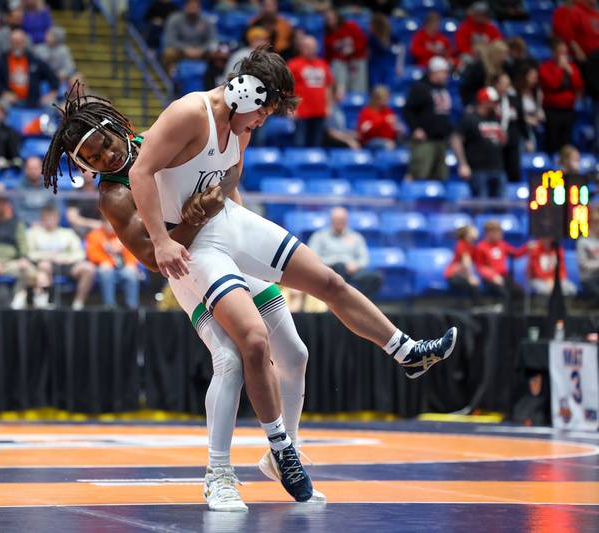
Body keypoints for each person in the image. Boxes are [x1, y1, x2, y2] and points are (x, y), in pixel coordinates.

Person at [127, 46, 457, 504]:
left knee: (327, 287)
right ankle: (225, 471)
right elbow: (141, 172)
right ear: (243, 92)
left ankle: (406, 351)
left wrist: (254, 246)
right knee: (243, 349)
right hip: (191, 244)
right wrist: (162, 242)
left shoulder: (240, 123)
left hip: (226, 224)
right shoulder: (189, 112)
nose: (262, 122)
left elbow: (227, 182)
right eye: (263, 112)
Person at [41, 84, 317, 511]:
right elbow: (155, 257)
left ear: (117, 128)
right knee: (229, 357)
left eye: (105, 146)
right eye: (92, 159)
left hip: (227, 245)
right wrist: (196, 215)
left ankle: (284, 455)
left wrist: (228, 211)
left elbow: (220, 176)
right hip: (188, 267)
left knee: (295, 354)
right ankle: (218, 474)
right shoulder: (114, 195)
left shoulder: (159, 137)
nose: (105, 158)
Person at [27, 203, 95, 309]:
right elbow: (29, 253)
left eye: (52, 218)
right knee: (45, 266)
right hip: (44, 265)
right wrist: (47, 256)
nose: (50, 221)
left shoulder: (67, 233)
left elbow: (80, 253)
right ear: (42, 218)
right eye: (47, 218)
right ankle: (46, 302)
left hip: (67, 264)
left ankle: (78, 304)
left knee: (88, 268)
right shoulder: (34, 233)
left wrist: (67, 258)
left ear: (58, 218)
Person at [307, 207, 383, 296]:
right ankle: (337, 301)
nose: (339, 222)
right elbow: (311, 258)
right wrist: (331, 263)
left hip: (351, 272)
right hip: (328, 271)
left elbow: (364, 259)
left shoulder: (356, 237)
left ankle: (358, 304)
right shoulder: (319, 236)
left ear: (347, 220)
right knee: (339, 266)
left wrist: (355, 265)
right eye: (337, 219)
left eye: (342, 219)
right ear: (331, 220)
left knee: (375, 277)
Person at [403, 56, 454, 181]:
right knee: (420, 174)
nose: (446, 75)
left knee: (440, 176)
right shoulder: (420, 88)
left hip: (441, 140)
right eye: (444, 72)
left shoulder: (443, 89)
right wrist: (415, 128)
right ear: (434, 72)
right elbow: (408, 110)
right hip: (425, 141)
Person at [452, 86, 507, 198]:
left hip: (497, 168)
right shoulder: (470, 119)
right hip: (478, 170)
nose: (495, 104)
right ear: (484, 101)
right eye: (493, 101)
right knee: (481, 204)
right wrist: (463, 164)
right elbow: (456, 139)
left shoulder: (495, 118)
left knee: (502, 206)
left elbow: (502, 141)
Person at [0, 28, 59, 108]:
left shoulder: (34, 60)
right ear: (10, 43)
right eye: (15, 42)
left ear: (25, 43)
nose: (18, 45)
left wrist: (52, 94)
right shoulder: (2, 61)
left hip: (33, 101)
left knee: (53, 105)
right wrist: (4, 93)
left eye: (20, 42)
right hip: (10, 100)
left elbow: (52, 77)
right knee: (0, 105)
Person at [287, 35, 333, 147]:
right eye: (307, 46)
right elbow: (287, 87)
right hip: (301, 112)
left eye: (313, 46)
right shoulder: (293, 64)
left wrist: (328, 106)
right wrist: (289, 107)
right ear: (301, 48)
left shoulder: (323, 64)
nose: (310, 49)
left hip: (320, 111)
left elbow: (328, 87)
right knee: (300, 143)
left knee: (316, 144)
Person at [539, 37, 583, 155]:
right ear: (553, 52)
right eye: (560, 52)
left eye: (565, 52)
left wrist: (570, 72)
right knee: (553, 141)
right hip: (552, 110)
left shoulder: (571, 67)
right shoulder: (545, 67)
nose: (563, 56)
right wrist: (559, 69)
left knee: (567, 141)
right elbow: (553, 84)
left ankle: (566, 168)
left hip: (568, 110)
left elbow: (578, 85)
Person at [86, 217, 140, 308]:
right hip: (104, 267)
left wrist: (131, 264)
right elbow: (92, 254)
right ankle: (109, 305)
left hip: (123, 267)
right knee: (106, 271)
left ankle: (132, 306)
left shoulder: (124, 235)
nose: (111, 226)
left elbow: (132, 252)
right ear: (103, 223)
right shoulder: (95, 235)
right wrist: (106, 262)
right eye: (108, 223)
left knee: (130, 273)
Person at [474, 219, 526, 303]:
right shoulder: (481, 247)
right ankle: (502, 314)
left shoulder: (502, 244)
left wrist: (527, 248)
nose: (500, 234)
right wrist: (493, 276)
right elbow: (480, 267)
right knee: (504, 293)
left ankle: (515, 314)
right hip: (490, 279)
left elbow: (515, 253)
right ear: (489, 233)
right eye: (497, 232)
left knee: (518, 291)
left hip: (504, 277)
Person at [161, 0, 217, 73]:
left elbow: (212, 40)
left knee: (217, 54)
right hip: (180, 50)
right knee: (168, 52)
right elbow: (170, 39)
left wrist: (201, 49)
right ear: (185, 7)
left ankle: (212, 77)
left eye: (195, 7)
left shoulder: (206, 20)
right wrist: (185, 49)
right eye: (190, 6)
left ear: (199, 8)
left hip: (201, 51)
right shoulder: (174, 18)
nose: (192, 9)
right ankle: (168, 76)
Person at [323, 8, 368, 94]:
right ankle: (340, 96)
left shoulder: (350, 26)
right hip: (341, 63)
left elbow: (363, 41)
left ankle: (357, 98)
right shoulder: (328, 36)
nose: (331, 22)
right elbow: (328, 55)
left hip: (356, 59)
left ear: (338, 18)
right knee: (337, 66)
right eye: (328, 20)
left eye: (333, 18)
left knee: (357, 83)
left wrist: (353, 49)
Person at [444, 224, 481, 302]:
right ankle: (475, 308)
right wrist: (470, 277)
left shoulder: (471, 245)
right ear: (467, 234)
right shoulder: (462, 245)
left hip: (461, 275)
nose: (476, 231)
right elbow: (466, 263)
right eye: (473, 230)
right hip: (453, 276)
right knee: (473, 285)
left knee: (474, 285)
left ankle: (475, 307)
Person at [357, 85, 399, 149]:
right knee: (387, 145)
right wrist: (384, 121)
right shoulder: (366, 112)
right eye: (383, 99)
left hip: (390, 140)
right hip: (371, 141)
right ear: (376, 99)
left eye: (386, 99)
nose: (386, 102)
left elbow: (393, 129)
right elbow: (364, 132)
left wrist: (397, 129)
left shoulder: (387, 111)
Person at [577, 203, 599, 300]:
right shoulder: (583, 242)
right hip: (589, 279)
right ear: (590, 223)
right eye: (596, 222)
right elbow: (583, 265)